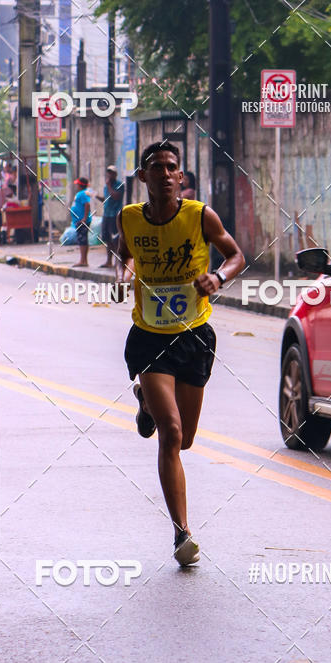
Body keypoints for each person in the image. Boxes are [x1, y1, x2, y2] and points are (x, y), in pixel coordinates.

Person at [116, 141, 244, 566]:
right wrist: (123, 276)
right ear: (143, 177)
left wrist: (218, 278)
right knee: (170, 434)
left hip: (194, 337)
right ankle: (181, 534)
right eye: (157, 167)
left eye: (173, 167)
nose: (166, 174)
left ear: (181, 178)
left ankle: (146, 405)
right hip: (150, 337)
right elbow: (126, 253)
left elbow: (235, 254)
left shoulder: (199, 215)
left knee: (185, 439)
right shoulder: (130, 217)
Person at [96, 164, 124, 267]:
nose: (109, 175)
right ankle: (109, 261)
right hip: (106, 214)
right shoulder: (106, 187)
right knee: (107, 239)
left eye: (111, 173)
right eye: (108, 173)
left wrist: (108, 186)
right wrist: (97, 196)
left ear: (115, 174)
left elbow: (116, 196)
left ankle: (118, 261)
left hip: (115, 215)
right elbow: (106, 199)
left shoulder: (119, 185)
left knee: (115, 239)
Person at [70, 177, 92, 266]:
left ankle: (82, 261)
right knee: (82, 240)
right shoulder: (81, 193)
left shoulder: (82, 194)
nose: (76, 186)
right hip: (79, 220)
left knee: (82, 240)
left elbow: (87, 205)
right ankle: (84, 261)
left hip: (82, 221)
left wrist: (84, 218)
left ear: (80, 185)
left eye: (78, 184)